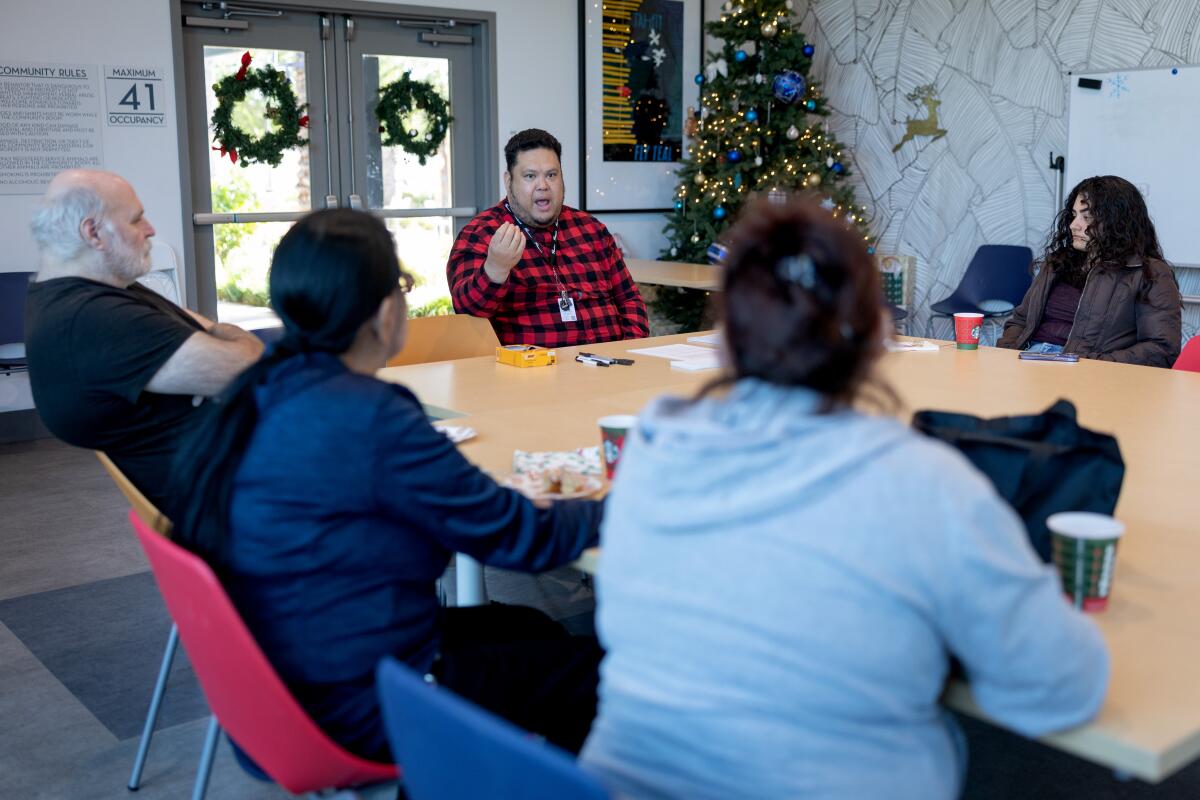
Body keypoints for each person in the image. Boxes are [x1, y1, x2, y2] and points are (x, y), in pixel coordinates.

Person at [580, 196, 1108, 800]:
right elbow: (1063, 686)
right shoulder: (926, 483)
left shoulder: (650, 448)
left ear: (723, 341)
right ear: (877, 337)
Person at [169, 208, 605, 761]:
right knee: (600, 679)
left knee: (528, 627)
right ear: (382, 312)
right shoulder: (373, 414)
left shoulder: (257, 390)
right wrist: (621, 507)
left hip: (275, 687)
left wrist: (495, 509)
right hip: (366, 699)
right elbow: (522, 540)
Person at [24, 169, 263, 514]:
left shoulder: (100, 289)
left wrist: (220, 347)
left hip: (241, 470)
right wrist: (236, 343)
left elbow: (212, 334)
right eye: (137, 220)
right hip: (243, 502)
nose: (150, 229)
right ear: (93, 232)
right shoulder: (94, 320)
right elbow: (249, 368)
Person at [447, 128, 649, 347]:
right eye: (530, 176)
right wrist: (495, 269)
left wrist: (630, 351)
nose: (543, 185)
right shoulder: (481, 234)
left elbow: (629, 300)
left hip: (611, 367)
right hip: (531, 373)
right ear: (509, 181)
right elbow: (466, 313)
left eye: (551, 175)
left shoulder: (591, 229)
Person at [997, 175, 1181, 366]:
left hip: (1084, 374)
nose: (1073, 225)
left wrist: (1093, 365)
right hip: (1026, 361)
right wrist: (1007, 354)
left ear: (1117, 222)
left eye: (1087, 217)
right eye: (1074, 215)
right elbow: (1020, 320)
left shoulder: (1149, 272)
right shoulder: (1056, 263)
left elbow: (1161, 349)